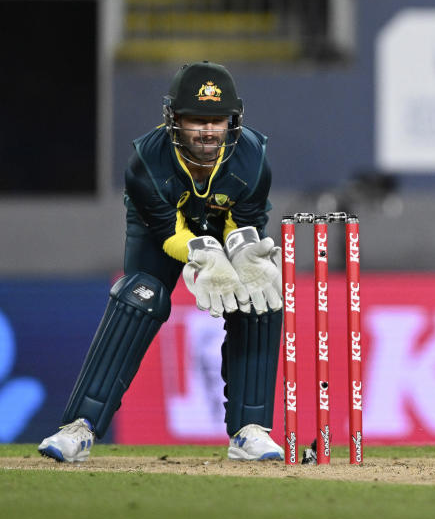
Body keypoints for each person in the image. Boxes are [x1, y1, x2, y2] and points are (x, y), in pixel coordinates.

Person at [38, 61, 284, 462]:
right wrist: (204, 254)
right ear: (174, 120)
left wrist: (241, 256)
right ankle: (79, 428)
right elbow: (170, 234)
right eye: (195, 120)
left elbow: (244, 226)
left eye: (216, 120)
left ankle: (249, 432)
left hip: (223, 226)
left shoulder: (254, 158)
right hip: (164, 233)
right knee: (141, 295)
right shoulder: (146, 162)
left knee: (258, 296)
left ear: (231, 121)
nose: (207, 130)